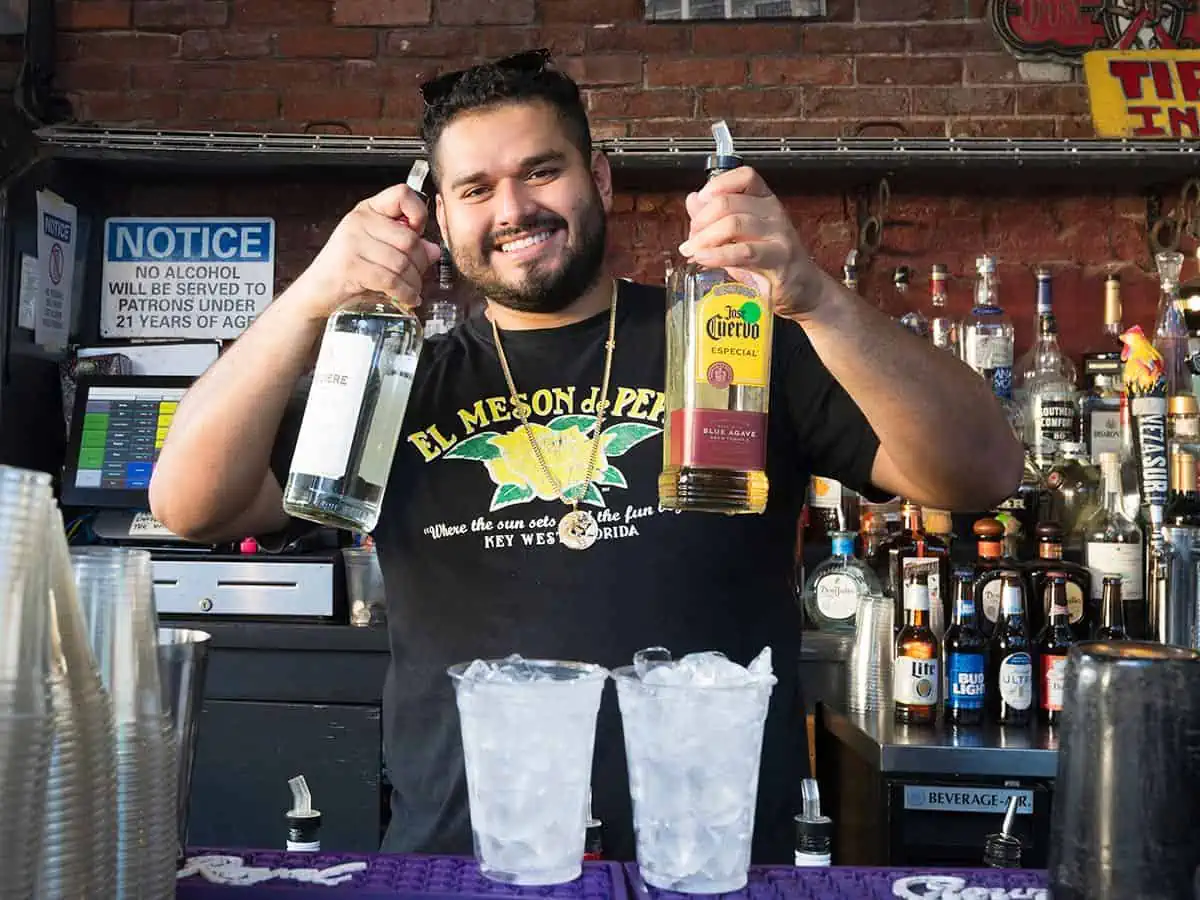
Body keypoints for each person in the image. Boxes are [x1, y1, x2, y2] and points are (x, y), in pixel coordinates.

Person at [149, 49, 1023, 863]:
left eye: (541, 171)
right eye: (475, 188)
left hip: (706, 862)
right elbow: (190, 503)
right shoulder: (394, 382)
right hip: (465, 862)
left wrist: (814, 297)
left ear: (596, 178)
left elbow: (979, 472)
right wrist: (312, 296)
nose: (513, 209)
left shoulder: (729, 342)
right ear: (441, 218)